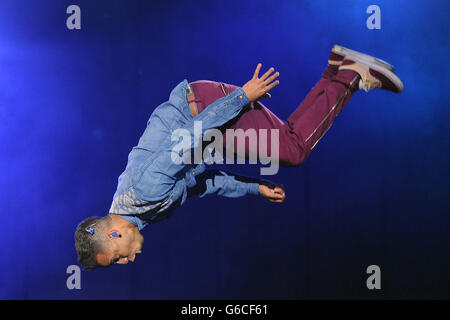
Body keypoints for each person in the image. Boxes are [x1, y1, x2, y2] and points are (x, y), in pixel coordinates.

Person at [74, 45, 404, 269]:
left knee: (292, 149)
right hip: (206, 128)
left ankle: (349, 74)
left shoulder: (143, 190)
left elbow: (191, 137)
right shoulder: (141, 214)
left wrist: (243, 96)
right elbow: (202, 184)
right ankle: (337, 68)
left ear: (115, 234)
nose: (126, 262)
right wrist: (254, 187)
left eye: (117, 257)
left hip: (204, 113)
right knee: (288, 146)